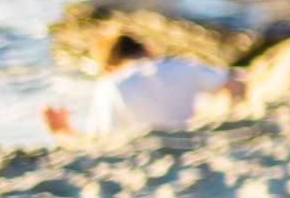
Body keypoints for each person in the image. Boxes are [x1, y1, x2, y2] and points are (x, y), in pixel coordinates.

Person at [39, 31, 240, 138]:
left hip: (142, 142)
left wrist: (62, 131)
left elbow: (101, 141)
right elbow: (235, 83)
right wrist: (226, 112)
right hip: (190, 137)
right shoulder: (182, 65)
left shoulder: (111, 83)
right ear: (147, 49)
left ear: (108, 68)